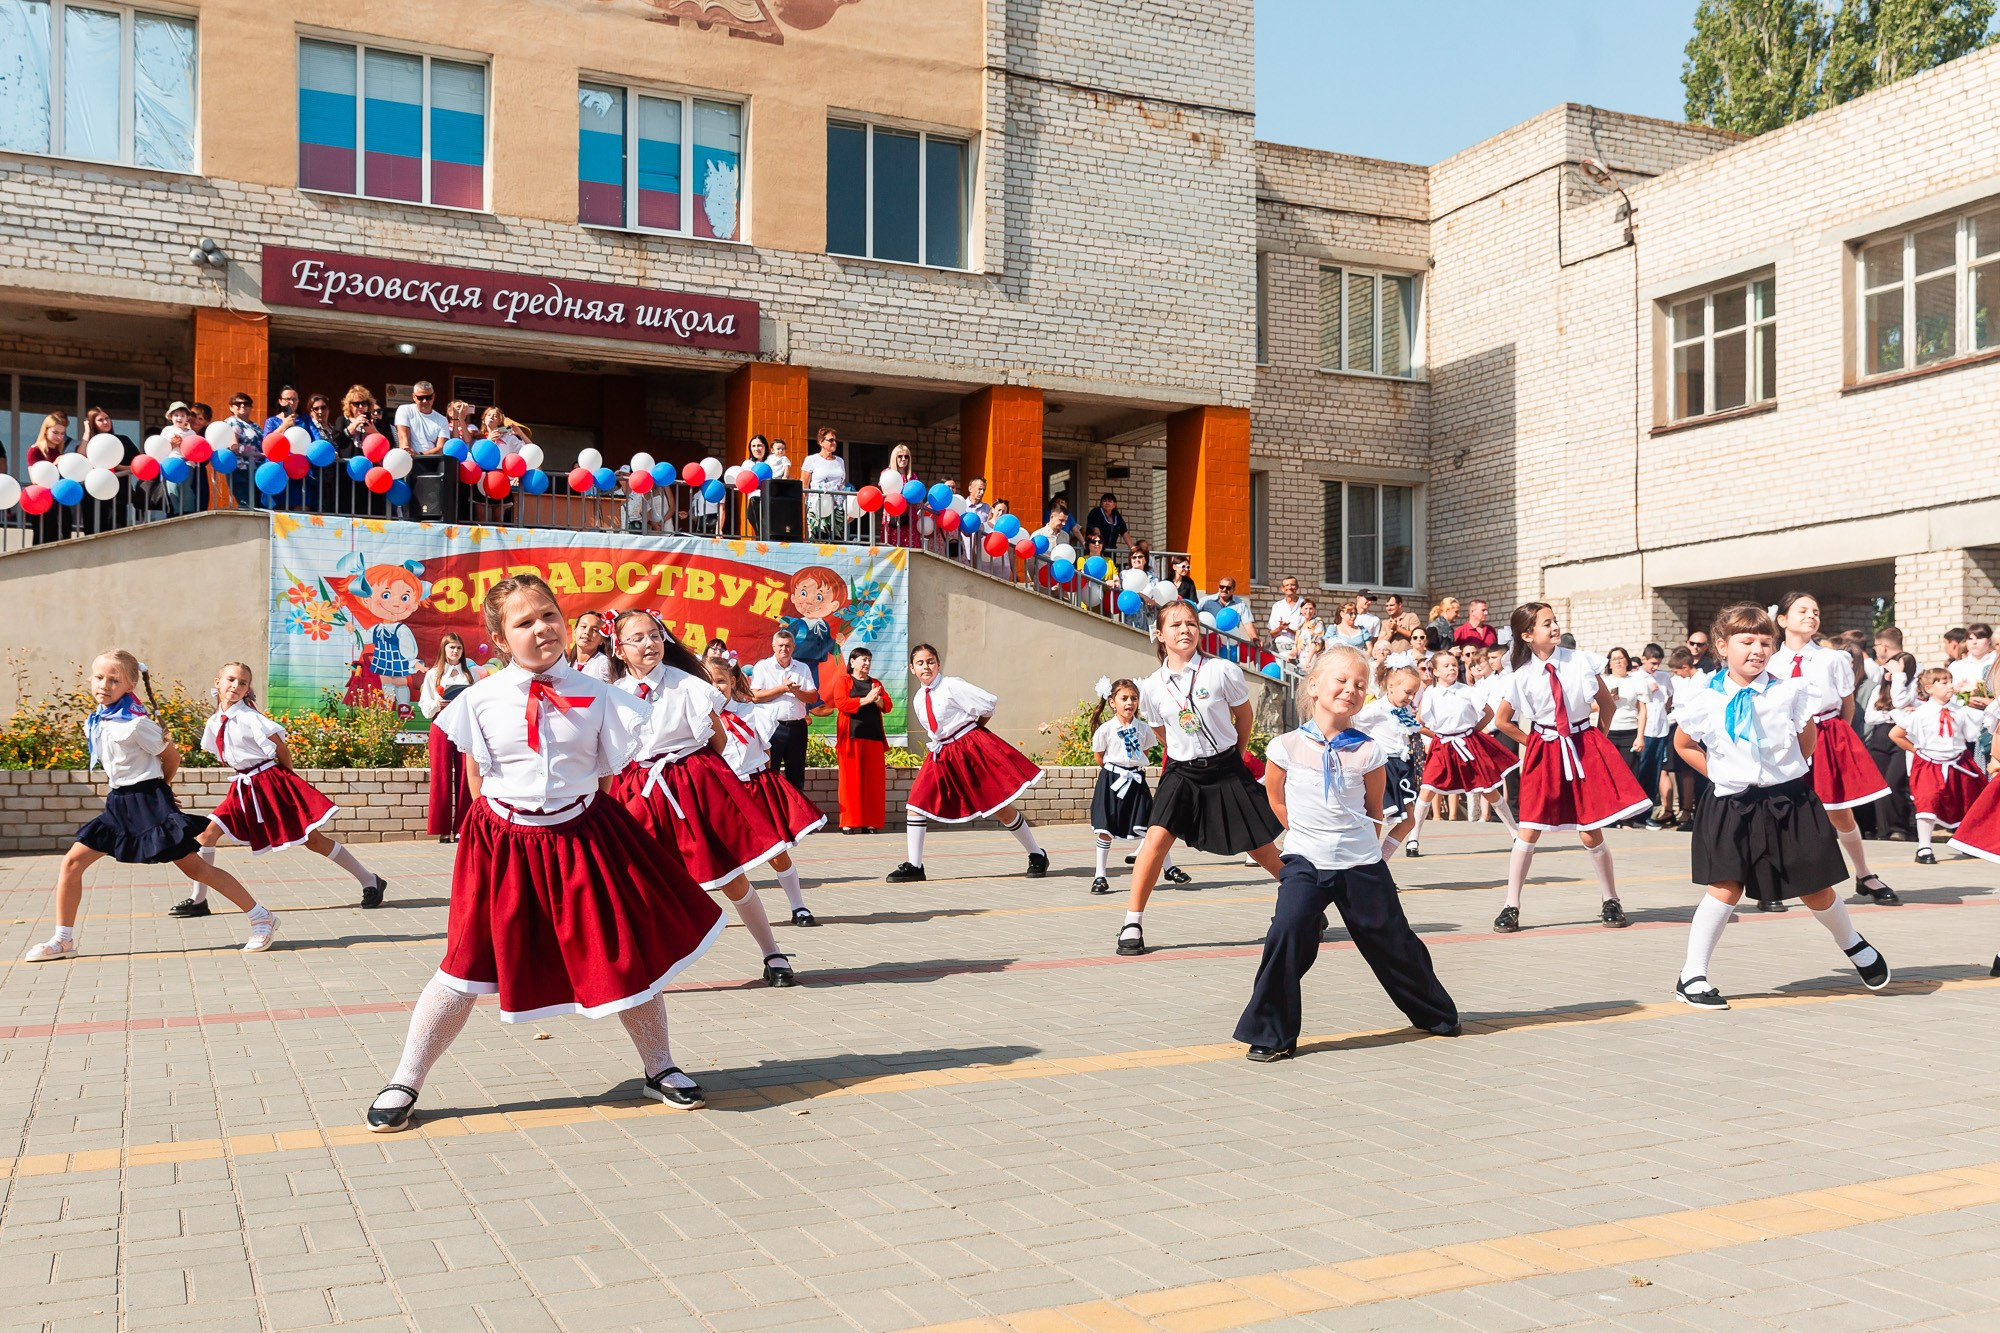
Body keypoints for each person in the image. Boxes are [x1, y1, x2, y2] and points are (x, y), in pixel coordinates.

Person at [363, 577, 724, 1130]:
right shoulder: (479, 700)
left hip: (585, 836)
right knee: (463, 966)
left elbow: (605, 777)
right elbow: (478, 780)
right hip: (502, 845)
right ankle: (404, 1079)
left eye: (549, 615)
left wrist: (581, 828)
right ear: (500, 638)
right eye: (525, 622)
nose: (542, 629)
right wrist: (498, 838)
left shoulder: (601, 695)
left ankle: (661, 1067)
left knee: (628, 953)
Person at [1233, 646, 1461, 1060]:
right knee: (1287, 932)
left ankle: (1435, 1012)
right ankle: (1271, 1033)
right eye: (1341, 680)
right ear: (1313, 686)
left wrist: (1360, 847)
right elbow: (1276, 800)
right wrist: (1305, 834)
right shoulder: (1285, 747)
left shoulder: (1369, 750)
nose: (1350, 690)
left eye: (1359, 684)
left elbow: (1374, 811)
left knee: (1393, 940)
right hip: (1305, 861)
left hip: (1360, 863)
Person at [1669, 604, 1892, 1012]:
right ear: (1722, 646)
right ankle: (1692, 975)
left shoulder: (1790, 691)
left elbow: (1806, 739)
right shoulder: (1704, 697)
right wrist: (1719, 773)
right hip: (1731, 803)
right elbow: (1683, 744)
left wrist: (1785, 773)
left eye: (1765, 642)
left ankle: (1853, 943)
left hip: (1788, 800)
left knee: (1815, 887)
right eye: (1746, 642)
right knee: (1724, 887)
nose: (1757, 650)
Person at [24, 651, 276, 962]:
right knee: (72, 863)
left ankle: (261, 917)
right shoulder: (99, 719)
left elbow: (171, 757)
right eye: (99, 677)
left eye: (114, 680)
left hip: (148, 803)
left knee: (197, 868)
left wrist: (163, 791)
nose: (104, 685)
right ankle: (63, 940)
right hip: (119, 803)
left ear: (130, 685)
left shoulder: (136, 724)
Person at [607, 608, 797, 986]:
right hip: (641, 791)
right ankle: (641, 968)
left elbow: (717, 739)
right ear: (619, 649)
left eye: (655, 635)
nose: (649, 643)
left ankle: (772, 952)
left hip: (691, 783)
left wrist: (695, 774)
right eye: (637, 638)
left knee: (730, 875)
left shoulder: (688, 684)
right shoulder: (613, 695)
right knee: (637, 883)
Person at [1117, 601, 1285, 956]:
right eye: (1176, 624)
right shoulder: (1152, 686)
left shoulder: (1221, 670)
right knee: (1156, 840)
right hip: (1182, 772)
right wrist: (1186, 750)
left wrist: (1235, 756)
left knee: (1260, 846)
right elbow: (1162, 731)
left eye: (1191, 623)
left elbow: (1244, 716)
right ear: (1160, 634)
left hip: (1226, 767)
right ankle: (1132, 921)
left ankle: (1304, 905)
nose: (1185, 629)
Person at [1487, 602, 1652, 934]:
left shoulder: (1580, 661)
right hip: (1545, 749)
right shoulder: (1521, 674)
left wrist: (1596, 741)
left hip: (1581, 744)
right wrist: (1533, 742)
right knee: (1529, 828)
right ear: (1527, 635)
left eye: (1555, 621)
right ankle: (1510, 905)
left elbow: (1606, 704)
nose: (1555, 627)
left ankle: (1611, 899)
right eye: (1547, 623)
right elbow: (1502, 721)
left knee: (1590, 829)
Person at [180, 661, 388, 912]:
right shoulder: (215, 721)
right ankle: (198, 899)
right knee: (206, 835)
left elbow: (281, 749)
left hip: (270, 783)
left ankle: (370, 880)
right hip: (244, 787)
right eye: (231, 680)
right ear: (218, 682)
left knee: (313, 840)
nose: (235, 686)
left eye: (242, 683)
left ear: (247, 689)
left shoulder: (250, 717)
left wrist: (288, 781)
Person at [1769, 593, 1899, 906]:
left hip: (1826, 735)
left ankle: (1864, 874)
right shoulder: (1771, 662)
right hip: (1784, 740)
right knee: (1781, 810)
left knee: (1838, 810)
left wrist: (1836, 740)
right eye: (1802, 610)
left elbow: (1847, 704)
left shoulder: (1833, 658)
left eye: (1815, 611)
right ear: (1783, 619)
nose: (1811, 616)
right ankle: (1776, 880)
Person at [886, 644, 1048, 883]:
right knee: (916, 803)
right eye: (920, 663)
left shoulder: (951, 685)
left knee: (999, 807)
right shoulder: (919, 698)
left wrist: (974, 731)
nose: (926, 667)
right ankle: (915, 865)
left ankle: (1036, 854)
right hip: (941, 752)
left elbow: (988, 704)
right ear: (912, 668)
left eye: (930, 661)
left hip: (969, 747)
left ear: (938, 663)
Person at [709, 660, 823, 929]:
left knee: (777, 852)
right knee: (718, 861)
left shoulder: (753, 712)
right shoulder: (698, 720)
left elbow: (766, 751)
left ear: (733, 682)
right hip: (723, 795)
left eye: (721, 681)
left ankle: (798, 906)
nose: (715, 687)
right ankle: (709, 919)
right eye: (709, 682)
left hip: (754, 788)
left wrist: (766, 786)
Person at [1407, 650, 1518, 855]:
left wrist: (1472, 732)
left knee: (1489, 789)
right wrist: (1438, 735)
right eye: (1446, 666)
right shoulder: (1430, 693)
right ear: (1435, 671)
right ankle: (1413, 839)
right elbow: (1420, 721)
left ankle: (1515, 833)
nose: (1452, 668)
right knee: (1427, 789)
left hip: (1467, 743)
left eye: (1453, 664)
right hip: (1442, 746)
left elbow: (1488, 713)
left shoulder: (1467, 690)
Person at [1086, 676, 1188, 895]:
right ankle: (1100, 876)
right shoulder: (1106, 729)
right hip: (1112, 782)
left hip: (1136, 781)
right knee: (1105, 829)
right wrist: (1116, 771)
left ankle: (1169, 867)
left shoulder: (1144, 728)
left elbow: (1145, 752)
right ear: (1112, 702)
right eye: (1124, 698)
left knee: (1152, 827)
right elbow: (1099, 757)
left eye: (1133, 698)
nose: (1129, 703)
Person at [1892, 667, 1986, 865]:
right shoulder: (1921, 713)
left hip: (1958, 762)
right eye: (1944, 682)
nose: (1950, 686)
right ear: (1929, 688)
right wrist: (1915, 750)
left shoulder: (1960, 711)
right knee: (1928, 800)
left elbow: (1969, 734)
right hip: (1930, 763)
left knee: (1968, 799)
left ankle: (1967, 841)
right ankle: (1924, 847)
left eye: (1950, 681)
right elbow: (1895, 734)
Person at [422, 632, 484, 842]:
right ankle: (441, 829)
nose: (455, 651)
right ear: (444, 649)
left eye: (459, 648)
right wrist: (436, 703)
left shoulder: (471, 674)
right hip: (441, 724)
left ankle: (462, 828)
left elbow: (478, 700)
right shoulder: (433, 674)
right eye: (451, 647)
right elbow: (425, 703)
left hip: (463, 725)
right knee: (441, 775)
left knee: (467, 774)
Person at [825, 646, 891, 835]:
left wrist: (876, 699)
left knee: (873, 782)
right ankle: (849, 822)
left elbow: (887, 705)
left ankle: (870, 823)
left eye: (869, 660)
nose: (867, 663)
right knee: (850, 782)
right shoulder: (843, 681)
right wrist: (867, 699)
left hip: (873, 737)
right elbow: (841, 703)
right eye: (864, 659)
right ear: (852, 662)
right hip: (851, 737)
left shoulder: (875, 683)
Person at [749, 629, 819, 791]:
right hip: (772, 727)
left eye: (787, 646)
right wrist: (782, 689)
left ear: (793, 647)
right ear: (773, 646)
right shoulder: (763, 666)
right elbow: (755, 697)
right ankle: (771, 806)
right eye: (780, 645)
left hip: (797, 727)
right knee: (769, 773)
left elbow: (813, 697)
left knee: (796, 775)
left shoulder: (802, 668)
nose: (784, 649)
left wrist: (796, 691)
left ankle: (796, 807)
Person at [1861, 651, 1919, 843]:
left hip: (1901, 739)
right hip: (1880, 738)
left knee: (1894, 783)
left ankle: (1900, 828)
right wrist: (1892, 713)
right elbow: (1870, 717)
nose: (1890, 670)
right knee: (1879, 785)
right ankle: (1883, 829)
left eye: (1897, 666)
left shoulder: (1911, 688)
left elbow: (1902, 705)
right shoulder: (1879, 689)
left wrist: (1898, 679)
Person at [1601, 648, 1653, 805]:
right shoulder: (1603, 681)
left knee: (1629, 776)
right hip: (1607, 732)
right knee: (1607, 775)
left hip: (1629, 732)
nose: (1617, 661)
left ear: (1627, 661)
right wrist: (1609, 700)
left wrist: (1640, 736)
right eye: (1614, 659)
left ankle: (1629, 813)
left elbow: (1642, 711)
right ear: (1609, 663)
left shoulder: (1637, 681)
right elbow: (1591, 707)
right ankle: (1611, 811)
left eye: (1621, 658)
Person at [26, 412, 71, 543]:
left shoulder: (58, 452)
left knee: (65, 527)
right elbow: (35, 479)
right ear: (45, 430)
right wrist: (55, 464)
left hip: (58, 499)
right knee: (44, 535)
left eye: (62, 433)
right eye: (55, 432)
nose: (59, 437)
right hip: (41, 499)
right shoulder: (35, 450)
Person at [799, 427, 848, 539]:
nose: (834, 443)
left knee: (837, 541)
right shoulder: (811, 460)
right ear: (821, 442)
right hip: (818, 506)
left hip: (837, 507)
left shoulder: (840, 461)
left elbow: (842, 482)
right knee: (819, 540)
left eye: (835, 440)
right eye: (831, 440)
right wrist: (807, 506)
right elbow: (804, 484)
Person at [1198, 578, 1260, 664]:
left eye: (1228, 588)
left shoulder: (1240, 604)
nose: (1224, 589)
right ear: (1218, 587)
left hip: (1229, 647)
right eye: (1222, 586)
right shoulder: (1206, 601)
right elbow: (1193, 614)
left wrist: (1255, 639)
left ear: (1233, 589)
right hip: (1209, 647)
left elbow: (1248, 623)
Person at [221, 392, 265, 508]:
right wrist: (237, 447)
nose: (242, 406)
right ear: (231, 407)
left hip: (257, 469)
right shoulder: (231, 422)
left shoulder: (254, 425)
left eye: (246, 403)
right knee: (246, 504)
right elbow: (233, 444)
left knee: (258, 506)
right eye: (238, 403)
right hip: (241, 469)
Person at [878, 443, 919, 548]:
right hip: (893, 511)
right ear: (894, 458)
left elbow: (917, 495)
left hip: (909, 514)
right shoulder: (887, 473)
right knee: (892, 544)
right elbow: (884, 492)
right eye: (900, 456)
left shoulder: (912, 476)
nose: (903, 459)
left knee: (910, 544)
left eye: (906, 456)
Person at [394, 381, 450, 456]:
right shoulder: (404, 410)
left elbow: (441, 447)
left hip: (432, 459)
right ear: (414, 397)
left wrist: (420, 455)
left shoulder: (442, 420)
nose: (424, 401)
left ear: (433, 396)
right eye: (420, 398)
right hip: (409, 458)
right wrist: (409, 453)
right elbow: (403, 440)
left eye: (428, 398)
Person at [1266, 576, 1307, 659]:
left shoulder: (1305, 605)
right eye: (1287, 585)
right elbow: (1272, 633)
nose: (1289, 587)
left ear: (1297, 587)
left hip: (1299, 648)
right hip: (1279, 648)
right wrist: (1280, 628)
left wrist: (1289, 630)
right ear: (1282, 588)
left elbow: (1307, 632)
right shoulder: (1277, 606)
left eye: (1292, 585)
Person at [568, 610, 614, 681]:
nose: (587, 632)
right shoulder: (568, 665)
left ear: (602, 640)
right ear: (575, 632)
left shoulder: (604, 664)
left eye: (595, 630)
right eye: (583, 626)